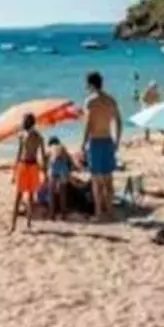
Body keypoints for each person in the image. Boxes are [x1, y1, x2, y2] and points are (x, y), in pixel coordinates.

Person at [82, 72, 123, 222]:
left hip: (95, 141)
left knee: (96, 181)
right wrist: (117, 141)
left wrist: (83, 143)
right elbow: (119, 122)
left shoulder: (90, 102)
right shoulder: (111, 101)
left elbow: (88, 125)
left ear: (91, 85)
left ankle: (99, 213)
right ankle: (110, 211)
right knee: (108, 179)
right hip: (108, 140)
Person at [11, 113, 46, 233]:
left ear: (28, 123)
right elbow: (19, 153)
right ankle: (14, 224)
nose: (22, 123)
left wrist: (44, 170)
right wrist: (14, 171)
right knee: (21, 195)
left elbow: (42, 153)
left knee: (28, 195)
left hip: (30, 165)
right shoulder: (30, 135)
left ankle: (27, 223)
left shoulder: (32, 136)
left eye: (24, 121)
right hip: (27, 165)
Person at [45, 137, 75, 219]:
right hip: (63, 169)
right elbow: (71, 162)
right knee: (63, 193)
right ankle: (63, 214)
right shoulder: (63, 147)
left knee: (51, 193)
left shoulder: (50, 148)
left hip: (53, 169)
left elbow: (46, 161)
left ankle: (52, 214)